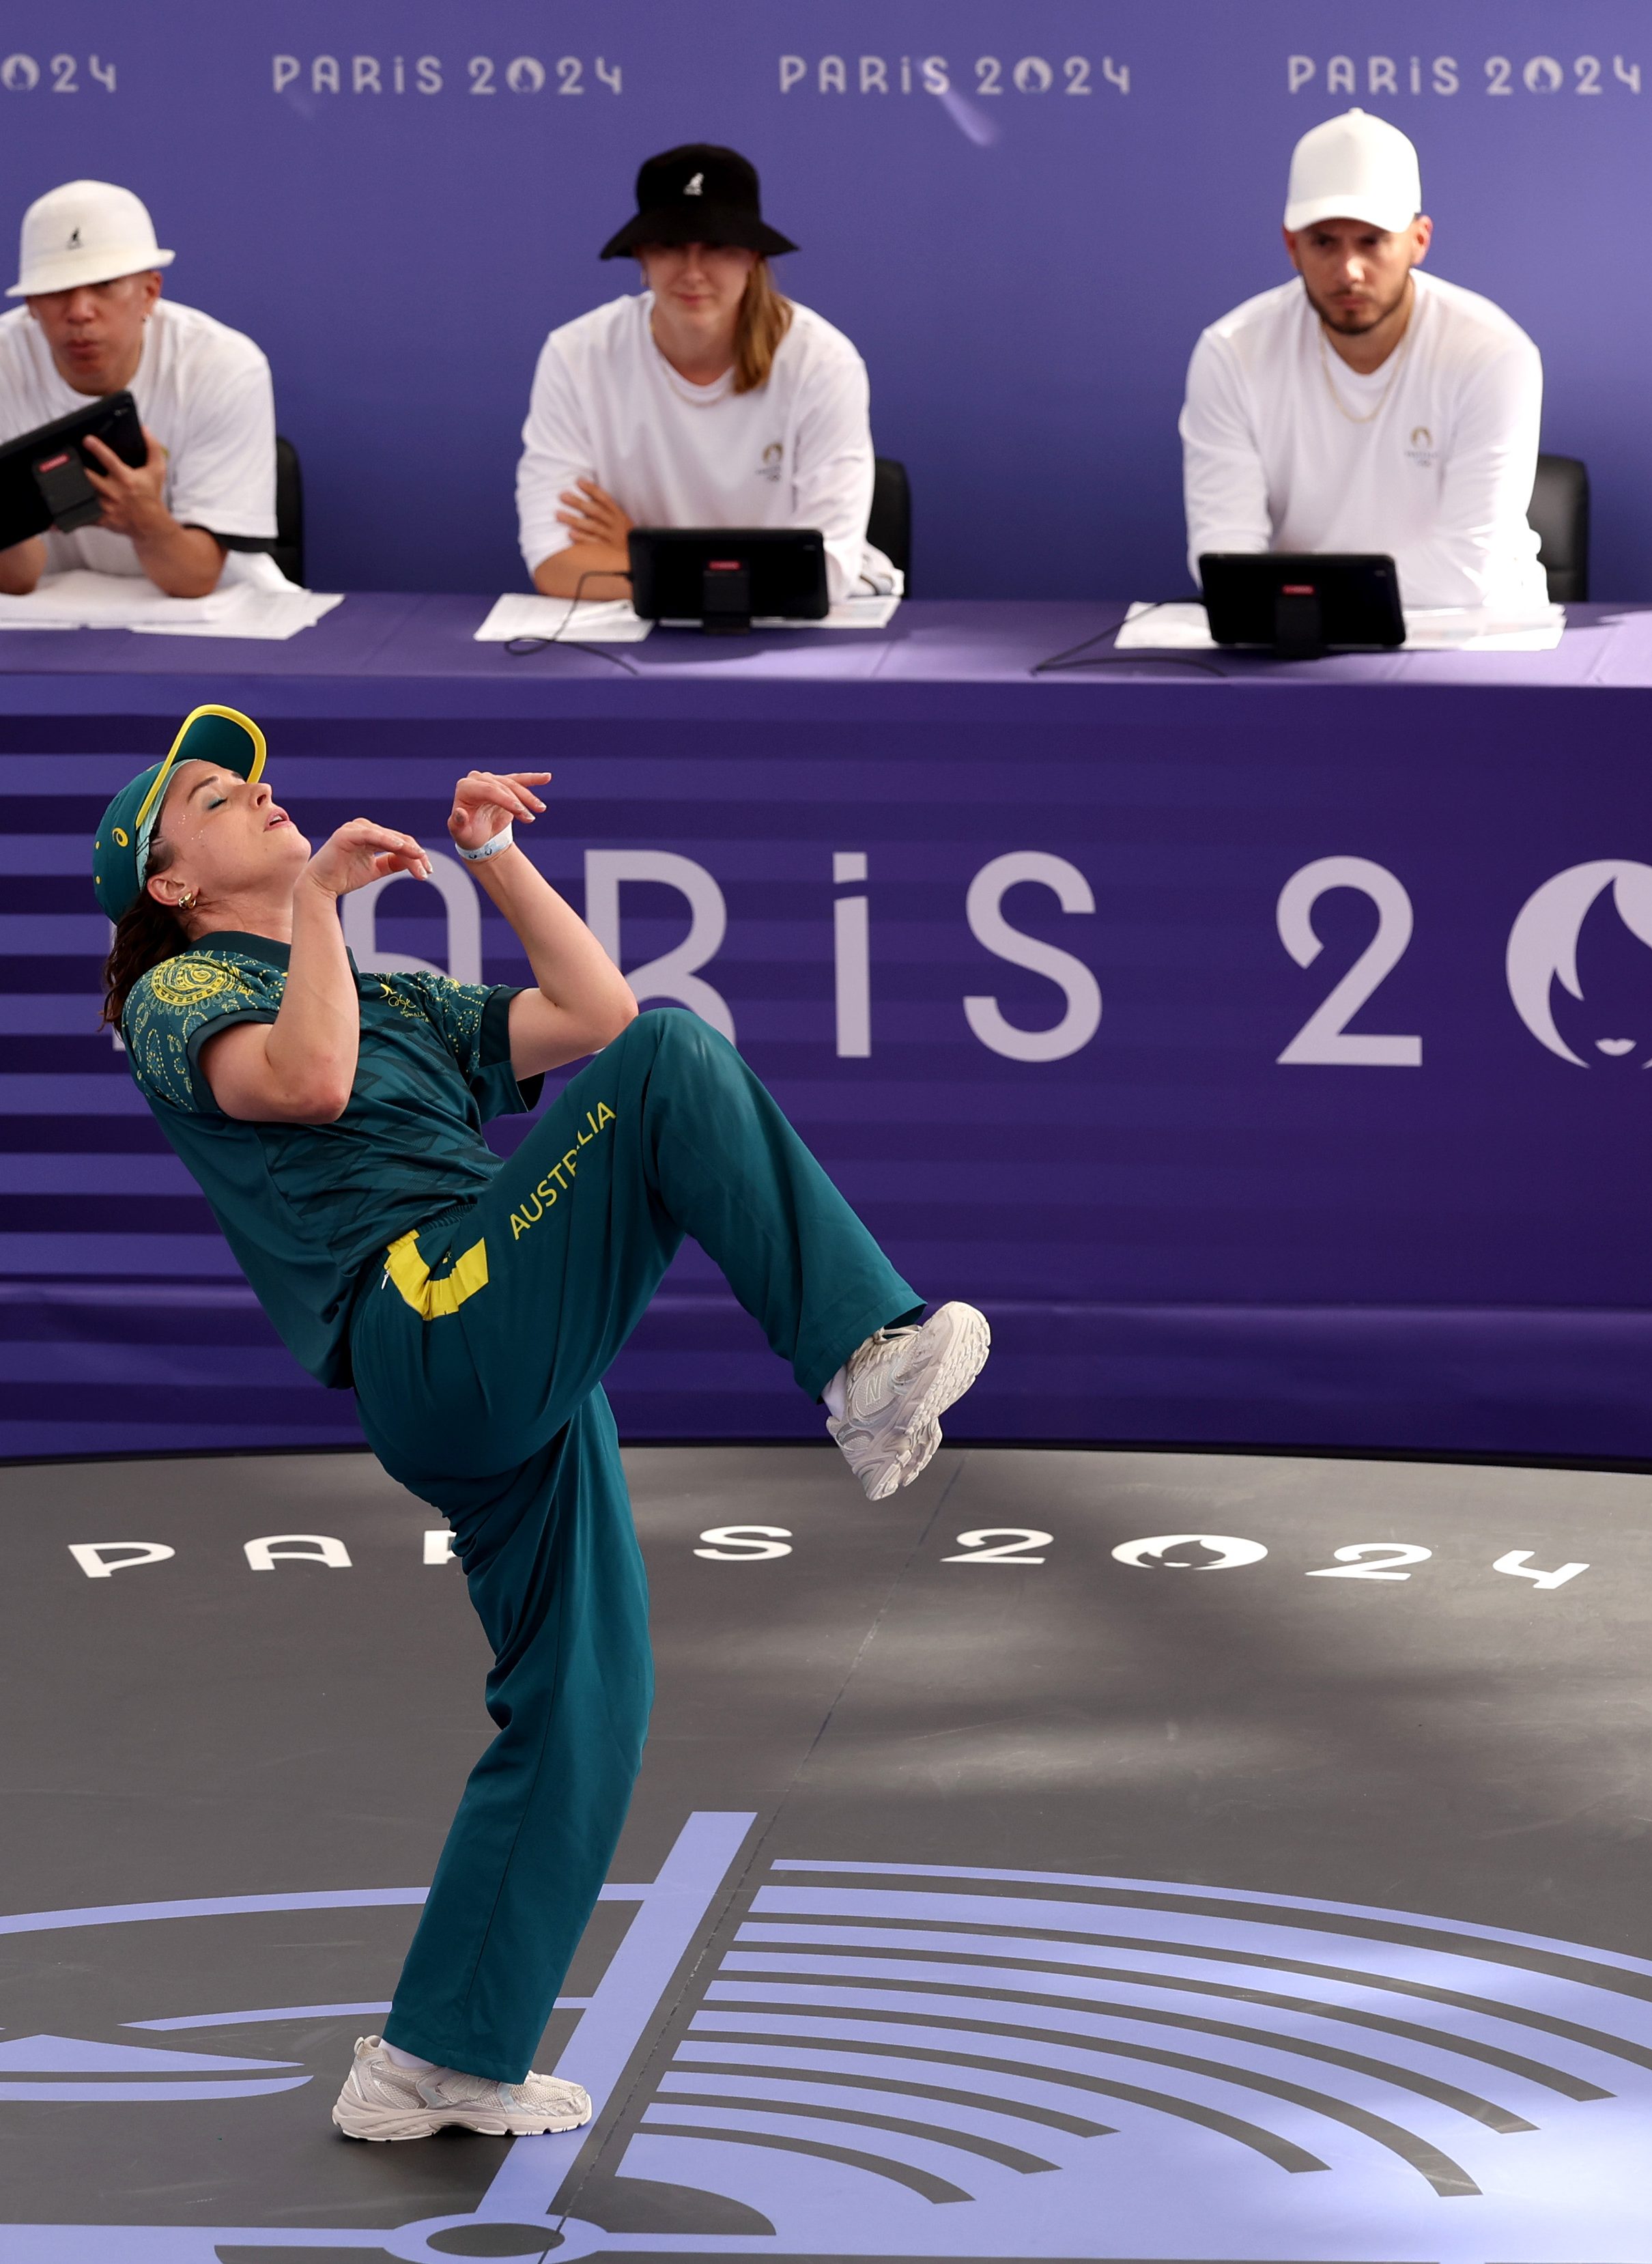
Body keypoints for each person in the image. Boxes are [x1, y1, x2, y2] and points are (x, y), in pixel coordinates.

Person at [94, 704, 987, 2140]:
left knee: (585, 1702)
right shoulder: (179, 996)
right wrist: (318, 901)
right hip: (429, 1315)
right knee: (682, 1067)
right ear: (172, 881)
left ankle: (440, 2052)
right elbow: (309, 1083)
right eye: (213, 794)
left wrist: (494, 861)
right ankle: (860, 1358)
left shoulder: (384, 991)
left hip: (496, 1334)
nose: (257, 793)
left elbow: (591, 1018)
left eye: (256, 776)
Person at [1180, 109, 1548, 614]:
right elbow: (1224, 555)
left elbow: (1467, 572)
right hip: (1295, 641)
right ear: (1292, 246)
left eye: (1372, 242)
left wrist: (1300, 597)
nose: (1347, 270)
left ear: (1418, 241)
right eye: (1323, 242)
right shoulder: (1232, 352)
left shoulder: (1491, 353)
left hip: (1472, 638)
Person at [517, 143, 899, 604]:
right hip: (639, 632)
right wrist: (708, 576)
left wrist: (639, 552)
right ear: (641, 258)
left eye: (717, 246)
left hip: (797, 635)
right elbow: (556, 564)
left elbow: (824, 572)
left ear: (752, 258)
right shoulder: (577, 354)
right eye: (670, 247)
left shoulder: (822, 362)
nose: (693, 272)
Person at [0, 180, 279, 599]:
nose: (79, 313)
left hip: (212, 616)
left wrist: (146, 522)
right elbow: (16, 580)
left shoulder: (222, 367)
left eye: (104, 284)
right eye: (57, 292)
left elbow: (196, 578)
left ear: (150, 293)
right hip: (52, 610)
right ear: (31, 306)